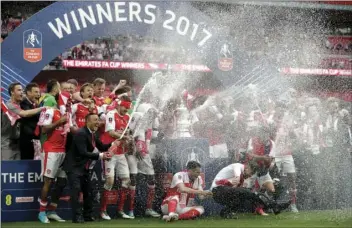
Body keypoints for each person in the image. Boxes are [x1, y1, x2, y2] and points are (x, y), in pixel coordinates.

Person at [63, 113, 115, 223]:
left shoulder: (93, 134)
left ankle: (87, 216)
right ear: (87, 121)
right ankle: (77, 217)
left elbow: (102, 147)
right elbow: (83, 152)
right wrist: (101, 156)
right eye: (95, 120)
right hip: (74, 167)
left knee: (89, 192)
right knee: (76, 191)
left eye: (98, 120)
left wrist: (114, 142)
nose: (98, 122)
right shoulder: (81, 133)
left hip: (83, 168)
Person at [211, 163, 290, 218]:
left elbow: (235, 188)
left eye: (252, 175)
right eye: (251, 173)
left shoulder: (241, 178)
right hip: (218, 191)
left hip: (221, 194)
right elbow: (237, 174)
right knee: (246, 192)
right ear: (247, 167)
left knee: (244, 196)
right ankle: (275, 206)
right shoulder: (237, 166)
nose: (250, 176)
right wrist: (237, 178)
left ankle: (225, 212)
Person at [100, 96, 134, 220]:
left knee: (126, 180)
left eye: (128, 107)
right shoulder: (111, 114)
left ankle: (120, 210)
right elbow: (110, 132)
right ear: (119, 105)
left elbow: (128, 132)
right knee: (110, 181)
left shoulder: (127, 117)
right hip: (110, 151)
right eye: (125, 107)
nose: (126, 110)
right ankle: (103, 211)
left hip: (121, 153)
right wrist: (124, 137)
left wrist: (129, 139)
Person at [126, 108, 160, 218]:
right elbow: (128, 133)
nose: (152, 116)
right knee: (133, 178)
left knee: (151, 178)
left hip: (143, 152)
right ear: (146, 113)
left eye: (154, 115)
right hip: (132, 151)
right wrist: (136, 149)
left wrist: (147, 150)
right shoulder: (137, 116)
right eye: (150, 113)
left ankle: (148, 209)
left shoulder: (150, 124)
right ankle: (130, 210)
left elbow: (148, 139)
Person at [37, 104, 68, 223]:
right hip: (51, 150)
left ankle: (52, 210)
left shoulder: (68, 113)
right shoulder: (51, 111)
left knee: (62, 181)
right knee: (48, 181)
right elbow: (44, 130)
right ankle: (41, 212)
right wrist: (59, 121)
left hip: (63, 150)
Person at [4, 82, 44, 160]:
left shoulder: (20, 100)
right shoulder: (10, 105)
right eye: (19, 90)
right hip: (6, 141)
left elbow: (28, 96)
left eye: (22, 90)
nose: (22, 92)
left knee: (19, 166)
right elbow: (24, 113)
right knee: (7, 166)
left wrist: (37, 96)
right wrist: (42, 108)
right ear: (12, 92)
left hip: (17, 141)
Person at [20, 83, 41, 160]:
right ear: (28, 92)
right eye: (36, 92)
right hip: (27, 139)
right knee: (27, 160)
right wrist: (41, 109)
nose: (38, 94)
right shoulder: (23, 103)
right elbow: (27, 113)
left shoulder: (35, 104)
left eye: (39, 92)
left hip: (35, 138)